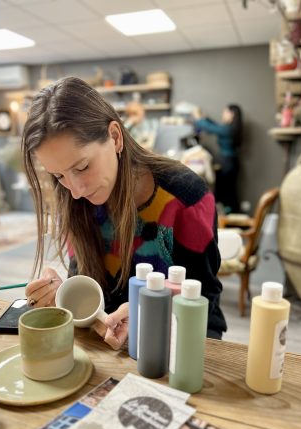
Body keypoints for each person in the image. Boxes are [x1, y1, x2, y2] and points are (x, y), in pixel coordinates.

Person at [23, 77, 226, 350]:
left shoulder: (185, 197)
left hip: (182, 343)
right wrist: (65, 293)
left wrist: (150, 312)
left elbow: (204, 298)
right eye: (59, 175)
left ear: (115, 137)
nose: (75, 190)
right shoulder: (72, 201)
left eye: (82, 167)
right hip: (111, 340)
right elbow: (92, 294)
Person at [193, 104, 243, 214]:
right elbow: (215, 126)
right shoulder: (231, 128)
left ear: (232, 114)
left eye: (225, 112)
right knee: (230, 192)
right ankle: (231, 215)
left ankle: (230, 217)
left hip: (228, 163)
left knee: (227, 193)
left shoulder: (228, 129)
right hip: (230, 162)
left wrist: (198, 119)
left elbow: (212, 128)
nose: (223, 114)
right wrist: (205, 118)